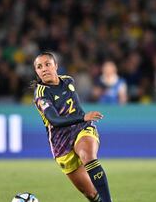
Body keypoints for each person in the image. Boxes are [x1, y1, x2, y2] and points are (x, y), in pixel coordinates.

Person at [32, 52, 112, 202]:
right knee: (91, 194)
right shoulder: (41, 94)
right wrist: (83, 116)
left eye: (47, 64)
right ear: (36, 71)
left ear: (56, 66)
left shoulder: (68, 81)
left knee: (88, 156)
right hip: (61, 144)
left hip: (81, 129)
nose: (44, 69)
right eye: (39, 67)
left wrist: (83, 120)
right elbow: (54, 120)